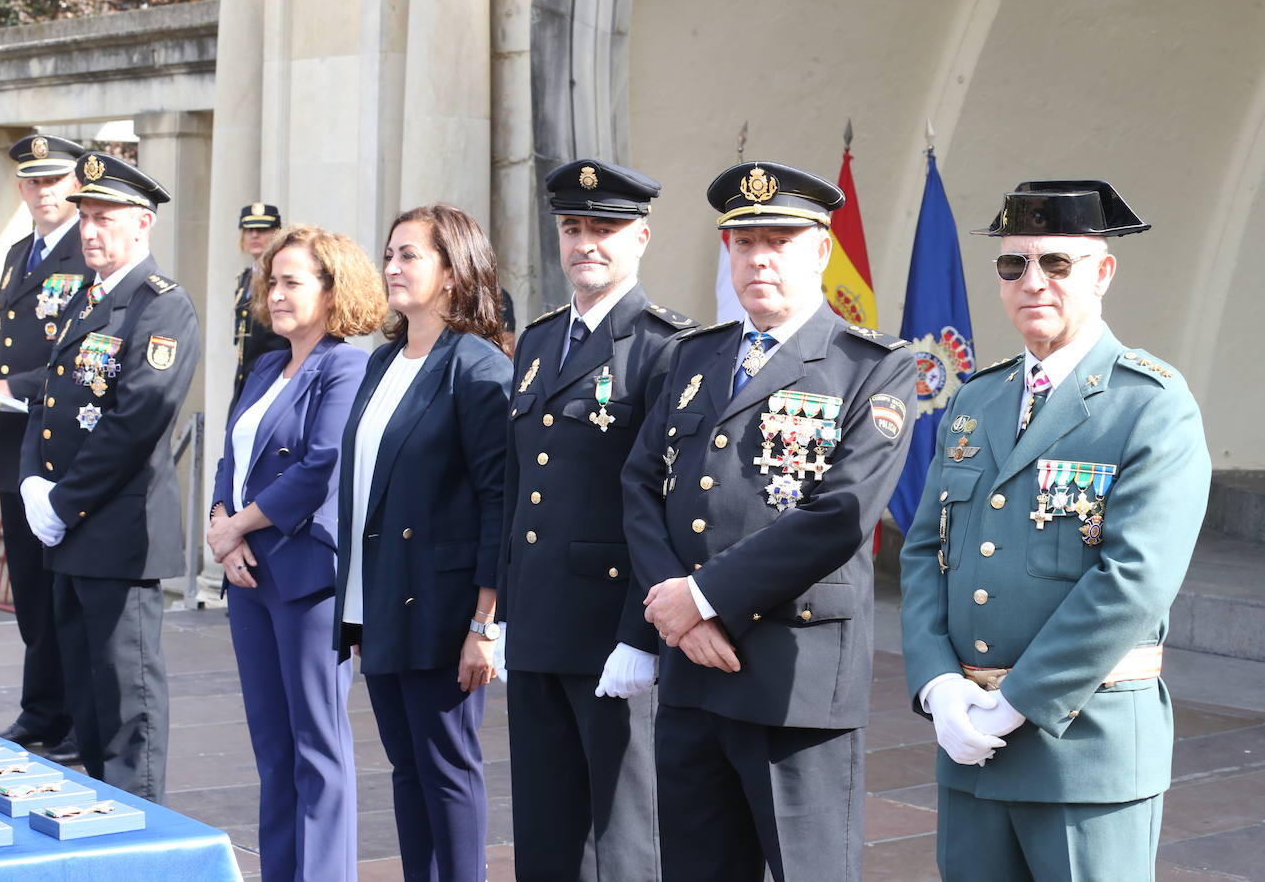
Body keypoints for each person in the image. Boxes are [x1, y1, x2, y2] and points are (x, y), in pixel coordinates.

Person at [898, 181, 1211, 881]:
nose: (1032, 282)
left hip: (1084, 751)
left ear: (1103, 273)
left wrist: (1015, 703)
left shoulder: (1149, 404)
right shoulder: (978, 398)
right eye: (1013, 265)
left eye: (1057, 263)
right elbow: (925, 551)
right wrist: (937, 683)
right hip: (970, 746)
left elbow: (1134, 581)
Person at [623, 161, 917, 881]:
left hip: (795, 677)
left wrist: (702, 598)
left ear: (821, 251)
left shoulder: (871, 367)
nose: (759, 259)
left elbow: (840, 515)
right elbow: (641, 484)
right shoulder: (694, 357)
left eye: (779, 241)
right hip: (693, 671)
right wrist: (676, 612)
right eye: (744, 242)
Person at [496, 158, 694, 881]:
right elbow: (520, 484)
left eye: (604, 228)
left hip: (614, 627)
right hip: (538, 620)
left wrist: (641, 636)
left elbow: (669, 505)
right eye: (573, 228)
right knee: (544, 826)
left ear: (640, 237)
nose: (586, 243)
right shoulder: (539, 340)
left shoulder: (668, 347)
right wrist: (505, 611)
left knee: (622, 832)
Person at [332, 204, 511, 882]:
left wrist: (484, 624)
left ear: (454, 271)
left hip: (443, 606)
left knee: (446, 767)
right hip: (381, 600)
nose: (392, 267)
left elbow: (498, 501)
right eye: (390, 254)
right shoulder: (382, 361)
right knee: (406, 768)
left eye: (410, 255)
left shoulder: (477, 367)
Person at [18, 151, 200, 802]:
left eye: (105, 218)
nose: (90, 231)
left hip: (118, 532)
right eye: (86, 217)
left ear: (142, 223)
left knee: (128, 704)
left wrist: (62, 500)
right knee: (88, 697)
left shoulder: (160, 307)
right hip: (71, 534)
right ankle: (104, 818)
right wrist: (31, 482)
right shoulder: (86, 299)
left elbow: (137, 419)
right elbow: (48, 401)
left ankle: (143, 832)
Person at [209, 223, 386, 881]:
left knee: (317, 744)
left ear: (332, 289)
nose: (276, 294)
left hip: (308, 577)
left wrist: (237, 526)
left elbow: (321, 466)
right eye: (272, 282)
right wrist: (221, 523)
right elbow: (231, 456)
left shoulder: (347, 366)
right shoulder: (265, 365)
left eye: (292, 282)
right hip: (249, 576)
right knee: (272, 748)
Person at [0, 133, 87, 764]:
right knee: (31, 594)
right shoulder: (16, 254)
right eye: (31, 182)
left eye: (53, 181)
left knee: (65, 595)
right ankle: (40, 710)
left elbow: (77, 359)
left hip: (59, 447)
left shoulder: (89, 253)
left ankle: (75, 718)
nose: (41, 192)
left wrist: (2, 386)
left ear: (76, 185)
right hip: (14, 447)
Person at [231, 202, 290, 413]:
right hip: (247, 383)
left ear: (276, 234)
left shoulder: (282, 278)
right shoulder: (246, 278)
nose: (254, 235)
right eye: (249, 230)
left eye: (262, 229)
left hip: (273, 381)